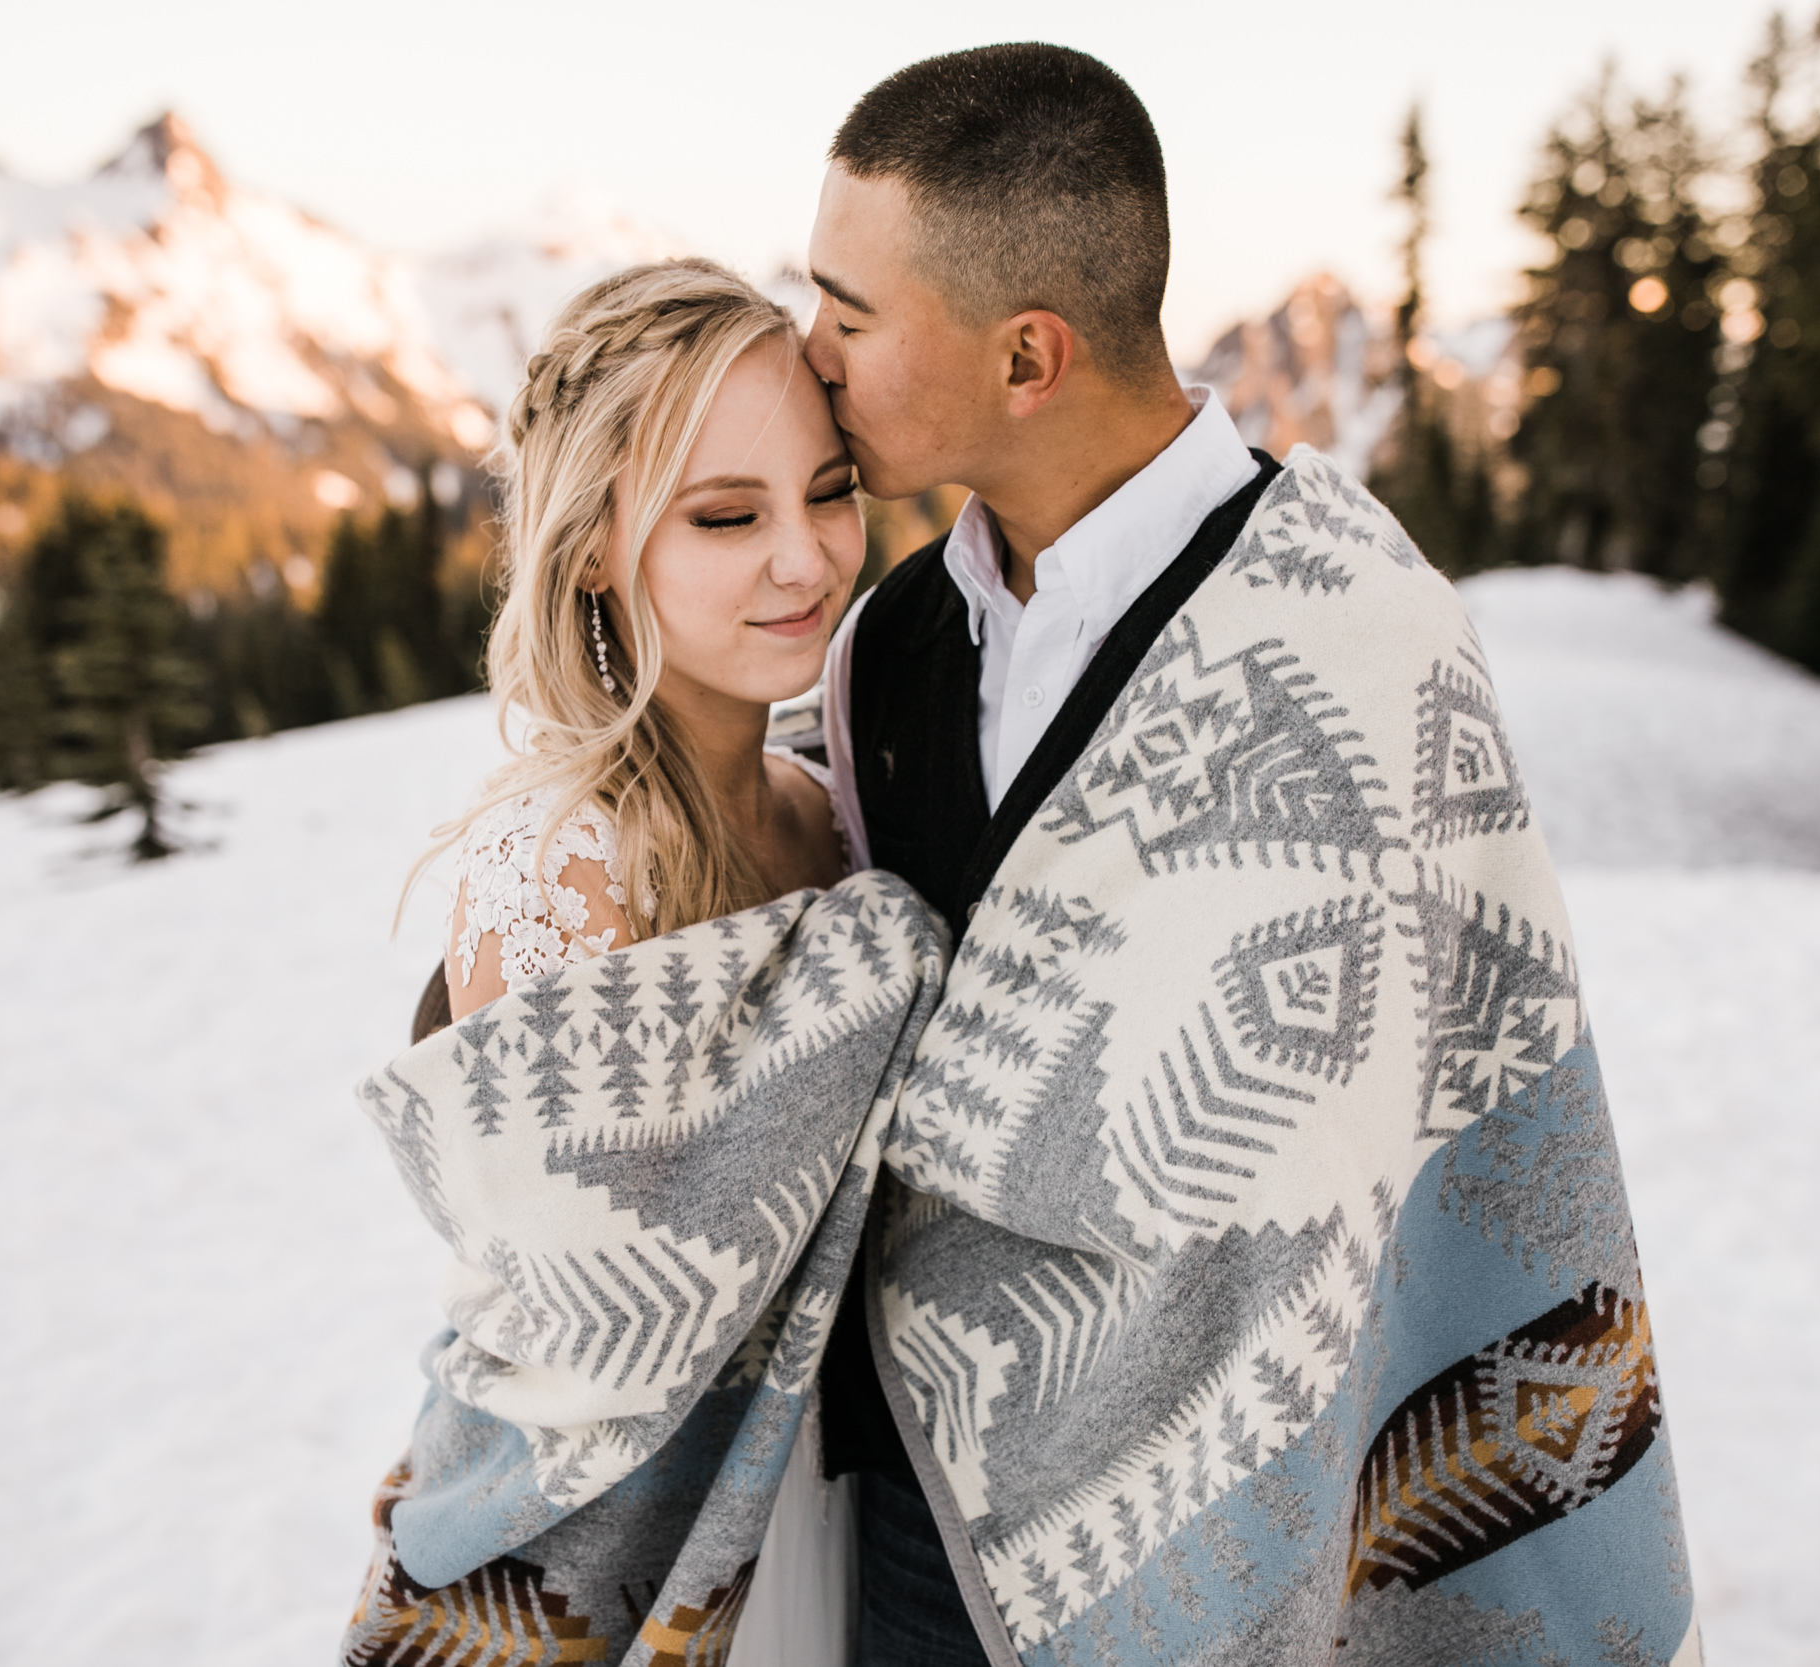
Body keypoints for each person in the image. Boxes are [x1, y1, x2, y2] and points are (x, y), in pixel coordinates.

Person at [806, 44, 1701, 1666]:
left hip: (1265, 1534)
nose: (813, 355)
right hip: (915, 1521)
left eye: (850, 316)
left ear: (1027, 356)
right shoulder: (891, 646)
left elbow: (1466, 1116)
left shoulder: (1367, 647)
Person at [344, 256, 883, 1666]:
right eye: (726, 516)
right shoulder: (560, 863)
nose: (806, 556)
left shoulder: (833, 818)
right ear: (592, 544)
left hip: (833, 1504)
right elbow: (581, 1318)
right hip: (639, 1536)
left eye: (831, 491)